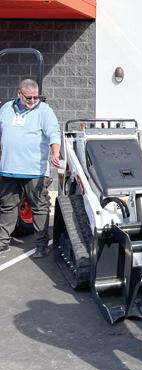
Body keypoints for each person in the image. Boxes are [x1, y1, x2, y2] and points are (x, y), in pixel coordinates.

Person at [0, 79, 61, 258]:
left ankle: (42, 246)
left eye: (36, 97)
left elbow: (54, 133)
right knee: (7, 207)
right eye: (29, 98)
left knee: (39, 208)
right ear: (19, 94)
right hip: (8, 169)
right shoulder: (6, 109)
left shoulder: (44, 111)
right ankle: (2, 243)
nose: (33, 101)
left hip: (34, 171)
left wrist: (55, 153)